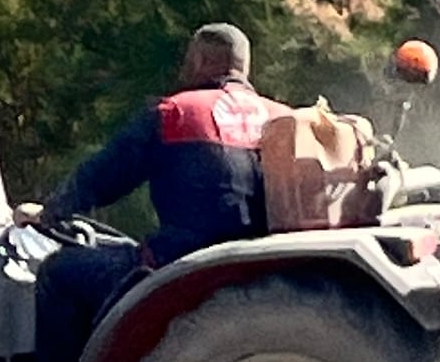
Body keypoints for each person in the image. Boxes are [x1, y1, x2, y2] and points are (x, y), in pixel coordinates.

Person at [35, 23, 285, 268]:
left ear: (200, 61)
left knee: (59, 272)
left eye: (187, 62)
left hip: (184, 264)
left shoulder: (175, 113)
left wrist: (50, 212)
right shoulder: (288, 120)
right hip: (271, 263)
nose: (182, 72)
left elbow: (105, 174)